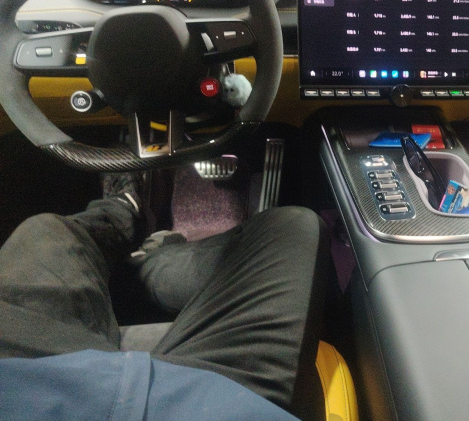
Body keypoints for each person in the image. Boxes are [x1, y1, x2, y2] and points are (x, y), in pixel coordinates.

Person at [0, 172, 330, 420]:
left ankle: (124, 231)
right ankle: (131, 232)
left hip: (26, 377)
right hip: (206, 401)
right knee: (293, 228)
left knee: (41, 232)